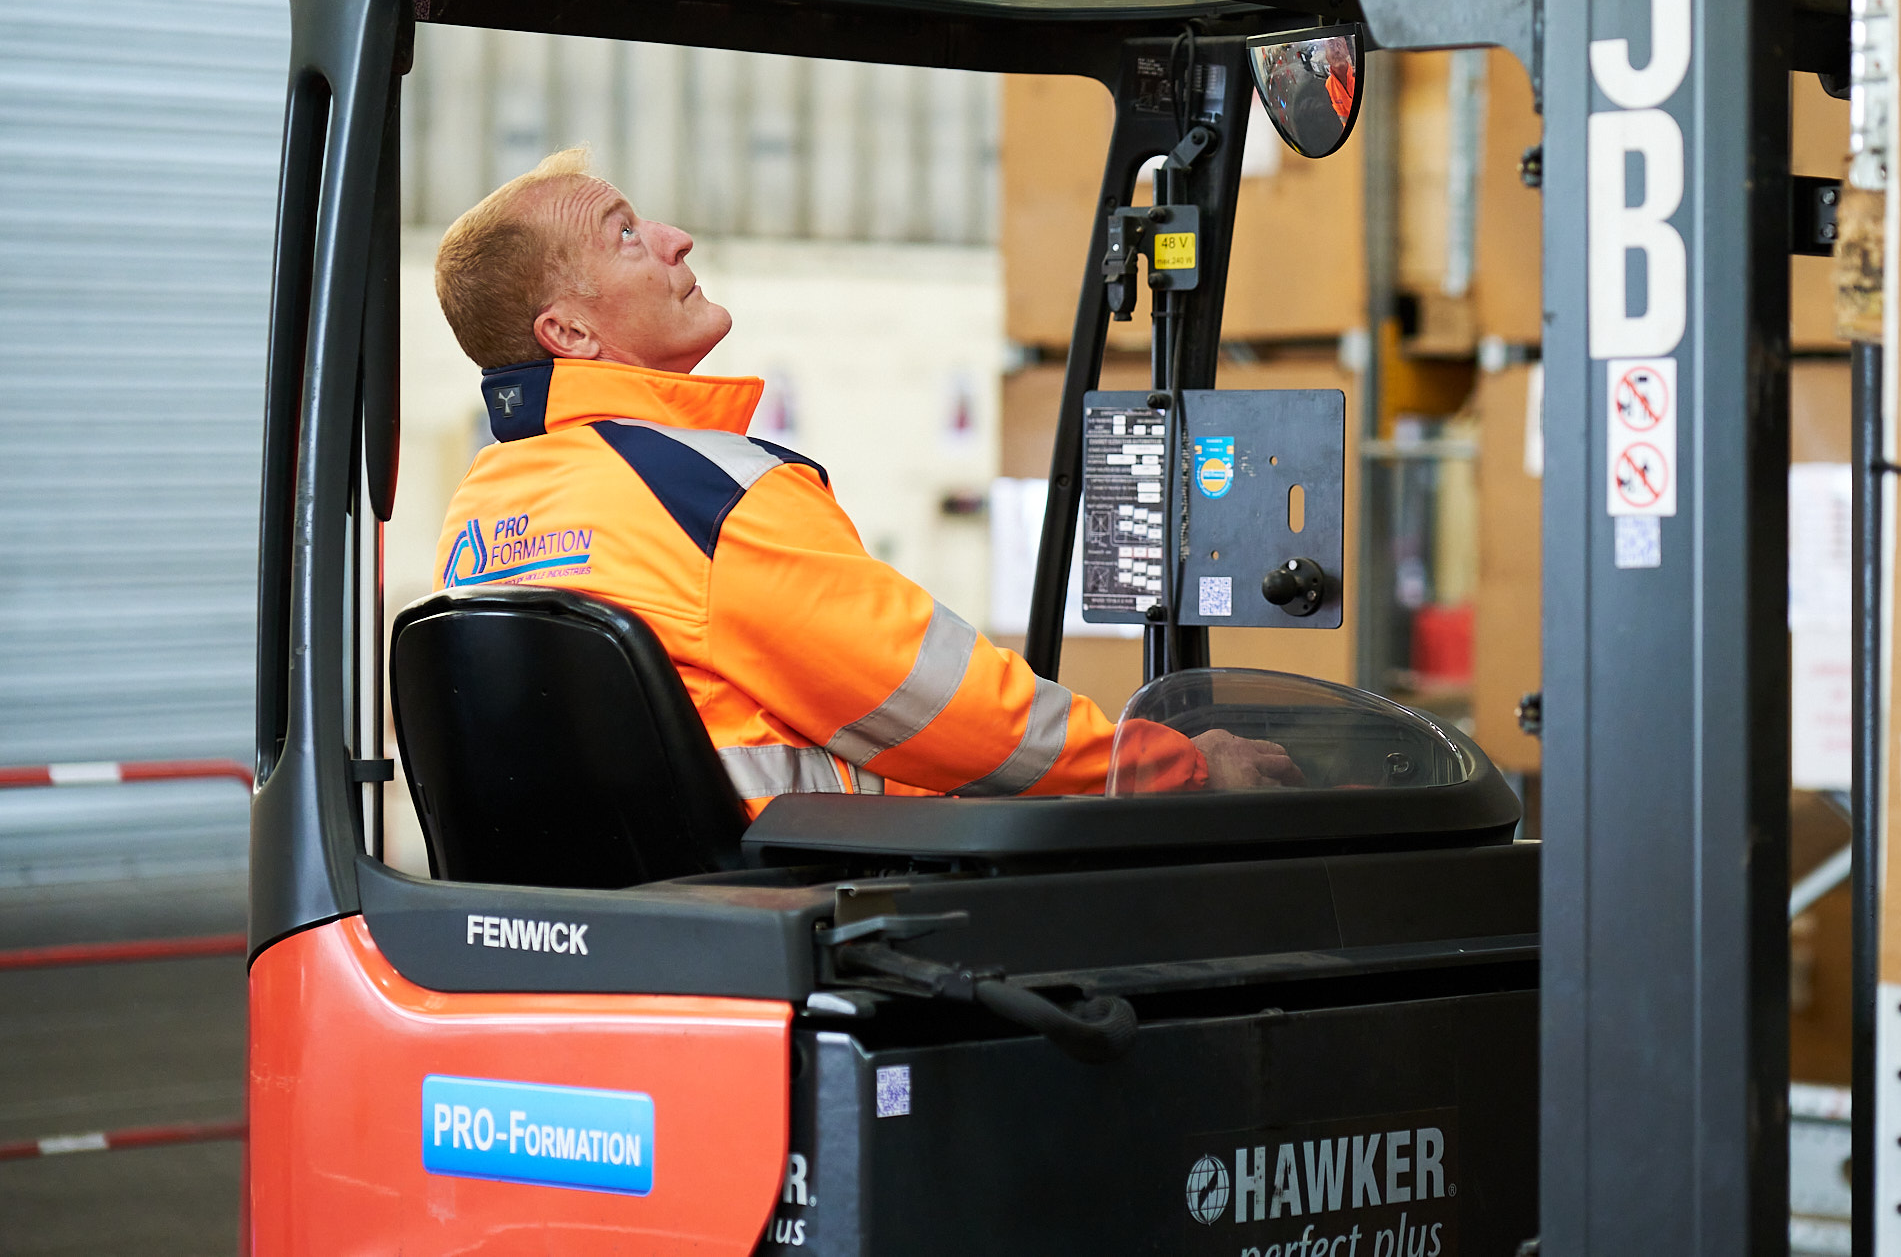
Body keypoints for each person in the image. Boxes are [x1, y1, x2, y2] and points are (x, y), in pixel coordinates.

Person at [429, 148, 1295, 806]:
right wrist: (1172, 764)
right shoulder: (703, 495)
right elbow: (936, 700)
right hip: (800, 908)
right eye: (625, 233)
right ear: (569, 334)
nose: (673, 238)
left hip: (608, 920)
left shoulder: (482, 514)